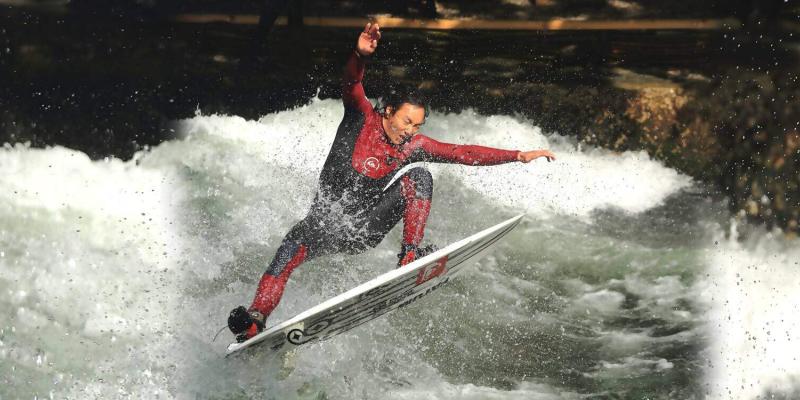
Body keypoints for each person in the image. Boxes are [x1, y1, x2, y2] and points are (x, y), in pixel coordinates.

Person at [227, 23, 556, 343]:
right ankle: (255, 321)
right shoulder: (360, 117)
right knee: (286, 253)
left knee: (421, 177)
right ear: (387, 111)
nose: (413, 130)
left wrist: (517, 155)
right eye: (407, 121)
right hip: (321, 227)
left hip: (364, 229)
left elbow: (462, 152)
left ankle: (409, 256)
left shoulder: (413, 147)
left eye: (418, 124)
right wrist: (360, 55)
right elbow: (352, 82)